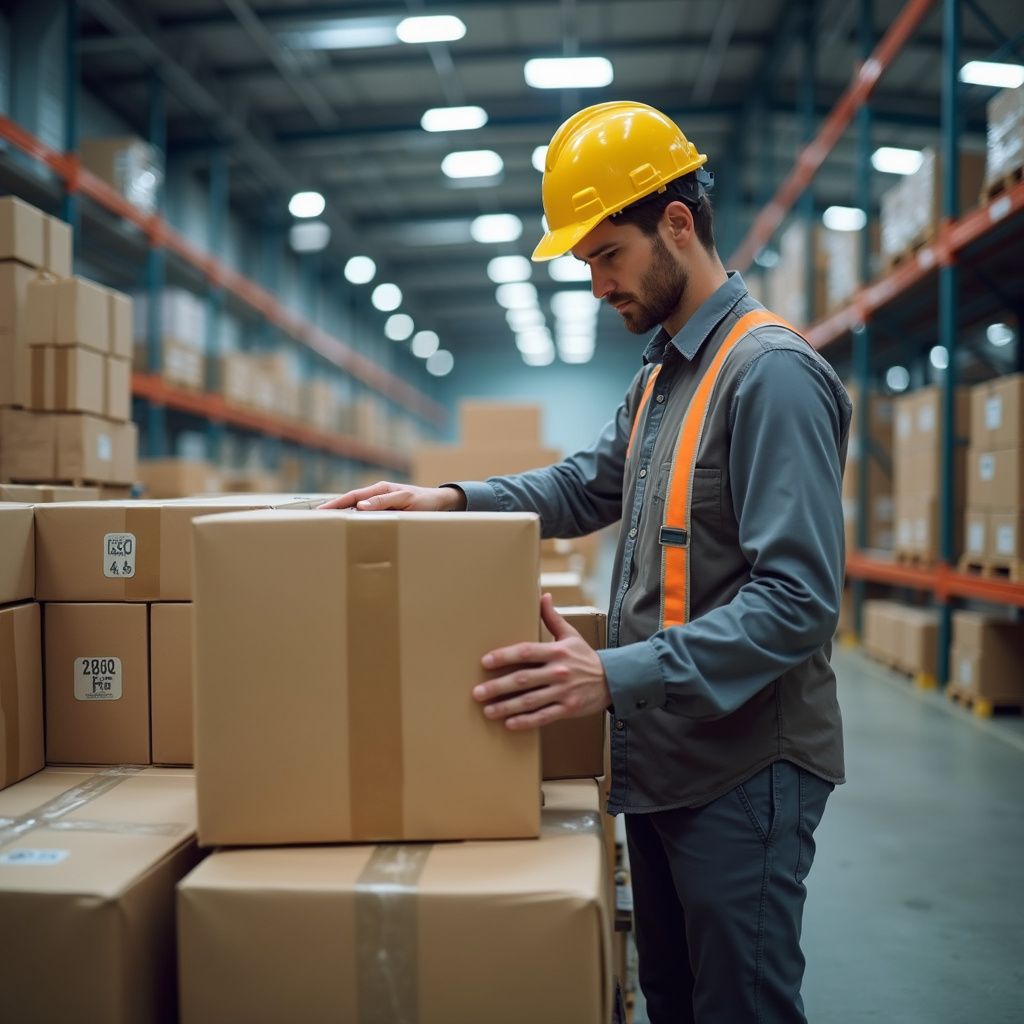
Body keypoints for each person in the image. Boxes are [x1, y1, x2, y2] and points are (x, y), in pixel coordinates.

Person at [321, 101, 851, 1024]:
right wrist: (449, 499)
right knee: (673, 999)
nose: (596, 282)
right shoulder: (663, 373)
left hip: (744, 769)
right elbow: (585, 485)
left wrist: (611, 675)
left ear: (676, 224)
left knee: (742, 1008)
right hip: (665, 753)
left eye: (607, 254)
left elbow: (797, 602)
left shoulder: (768, 372)